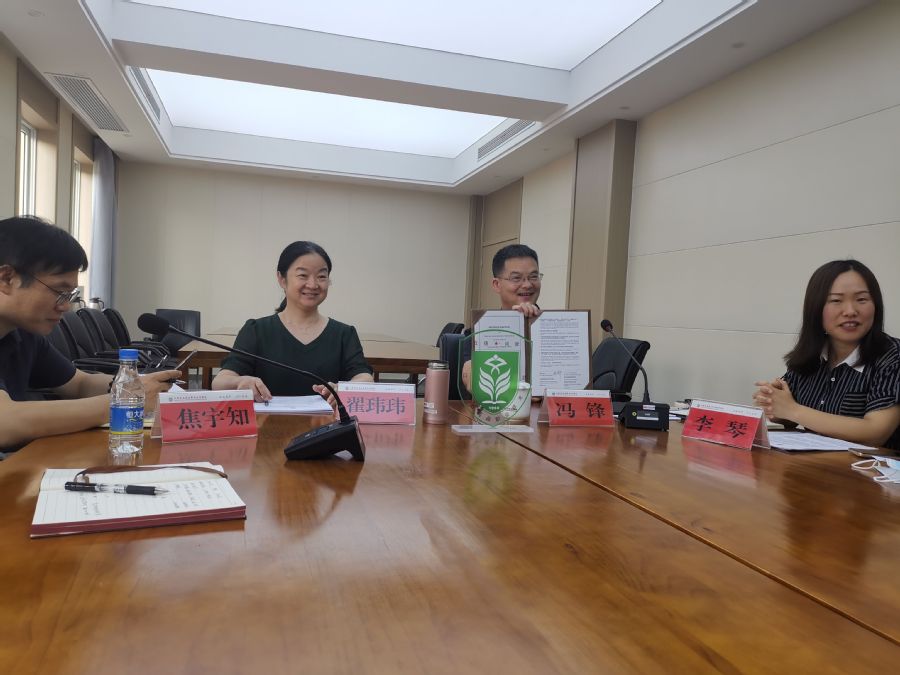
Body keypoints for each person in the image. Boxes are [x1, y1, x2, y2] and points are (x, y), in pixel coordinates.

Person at [0, 216, 178, 452]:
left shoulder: (23, 335)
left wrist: (135, 385)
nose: (66, 306)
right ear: (6, 279)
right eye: (59, 292)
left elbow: (79, 383)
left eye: (70, 295)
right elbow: (5, 423)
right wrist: (127, 401)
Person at [753, 259, 900, 451]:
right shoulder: (812, 354)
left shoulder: (892, 356)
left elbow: (875, 434)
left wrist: (793, 410)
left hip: (873, 468)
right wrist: (774, 404)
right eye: (836, 300)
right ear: (815, 309)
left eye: (861, 300)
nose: (850, 311)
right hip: (816, 464)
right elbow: (789, 413)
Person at [212, 241, 373, 406]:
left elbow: (364, 377)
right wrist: (240, 382)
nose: (313, 284)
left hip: (328, 423)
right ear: (282, 279)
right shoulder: (256, 330)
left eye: (321, 276)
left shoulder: (344, 334)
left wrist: (344, 389)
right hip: (268, 422)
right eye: (303, 275)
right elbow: (220, 382)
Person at [461, 244, 542, 391]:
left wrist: (529, 322)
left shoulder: (555, 329)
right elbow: (473, 384)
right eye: (516, 278)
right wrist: (513, 322)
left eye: (533, 277)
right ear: (497, 284)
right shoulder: (477, 333)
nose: (527, 285)